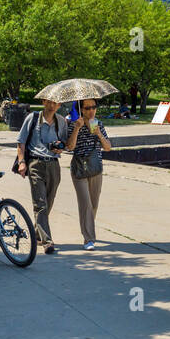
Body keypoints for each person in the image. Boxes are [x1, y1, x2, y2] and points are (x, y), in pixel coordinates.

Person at [16, 98, 70, 253]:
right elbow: (21, 142)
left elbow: (64, 143)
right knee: (40, 204)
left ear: (60, 105)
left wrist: (60, 148)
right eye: (50, 102)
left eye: (56, 103)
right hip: (35, 163)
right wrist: (21, 162)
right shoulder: (32, 118)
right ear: (44, 102)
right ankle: (47, 241)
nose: (53, 106)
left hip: (54, 164)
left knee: (49, 201)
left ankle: (37, 234)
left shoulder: (61, 121)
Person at [67, 98, 112, 251]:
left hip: (95, 168)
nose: (91, 111)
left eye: (94, 107)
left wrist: (99, 134)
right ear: (81, 110)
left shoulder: (98, 124)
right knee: (85, 203)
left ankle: (88, 229)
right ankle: (88, 239)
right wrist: (77, 129)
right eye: (87, 108)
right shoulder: (73, 125)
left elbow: (108, 148)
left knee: (93, 204)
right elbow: (70, 147)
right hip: (79, 169)